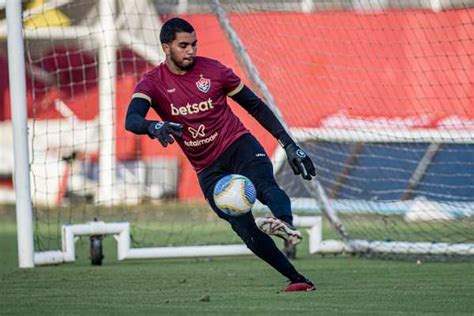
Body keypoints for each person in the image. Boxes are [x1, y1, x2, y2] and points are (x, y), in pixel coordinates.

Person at [125, 17, 317, 292]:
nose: (191, 51)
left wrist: (288, 143)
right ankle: (297, 279)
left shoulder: (214, 71)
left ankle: (285, 225)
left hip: (238, 144)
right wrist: (154, 126)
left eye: (194, 44)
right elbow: (131, 120)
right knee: (244, 228)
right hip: (207, 168)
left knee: (265, 186)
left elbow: (255, 106)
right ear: (166, 48)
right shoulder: (152, 83)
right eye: (183, 45)